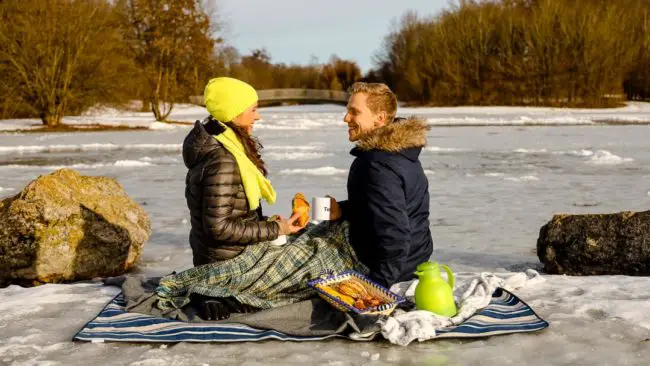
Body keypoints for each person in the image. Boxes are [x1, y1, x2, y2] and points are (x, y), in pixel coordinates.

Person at [183, 77, 304, 267]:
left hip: (230, 255)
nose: (258, 117)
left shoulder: (229, 149)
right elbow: (218, 228)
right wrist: (276, 229)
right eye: (253, 110)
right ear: (234, 113)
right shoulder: (223, 161)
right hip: (228, 264)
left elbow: (233, 216)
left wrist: (268, 224)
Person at [329, 82, 434, 288]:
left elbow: (394, 232)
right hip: (415, 256)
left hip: (391, 267)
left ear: (380, 118)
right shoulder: (398, 152)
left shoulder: (377, 164)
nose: (346, 118)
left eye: (354, 112)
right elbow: (387, 207)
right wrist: (342, 209)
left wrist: (376, 287)